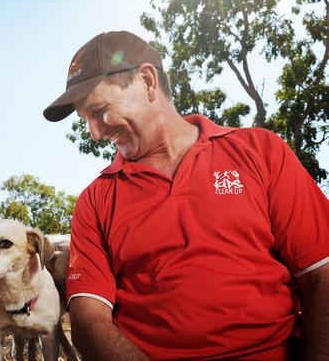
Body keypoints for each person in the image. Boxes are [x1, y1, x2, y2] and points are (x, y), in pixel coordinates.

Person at [43, 31, 329, 360]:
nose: (95, 133)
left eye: (99, 111)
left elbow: (322, 275)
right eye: (86, 121)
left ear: (147, 81)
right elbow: (88, 320)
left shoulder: (261, 152)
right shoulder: (95, 201)